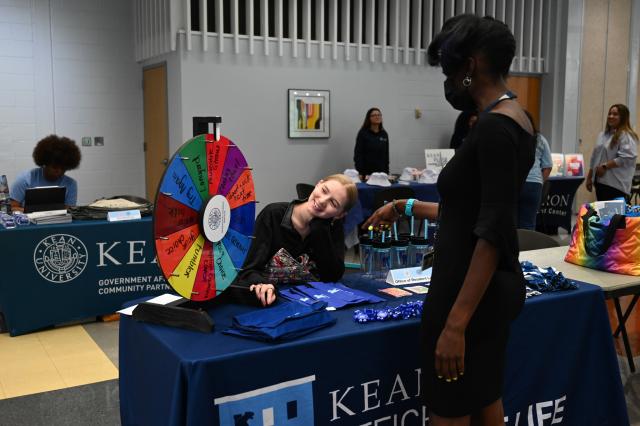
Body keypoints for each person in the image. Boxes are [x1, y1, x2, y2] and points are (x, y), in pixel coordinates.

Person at [363, 14, 535, 424]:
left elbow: (491, 231)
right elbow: (470, 211)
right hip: (487, 293)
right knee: (485, 396)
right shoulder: (518, 119)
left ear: (470, 66)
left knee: (450, 407)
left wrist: (455, 324)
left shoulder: (493, 129)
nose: (445, 80)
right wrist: (404, 207)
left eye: (447, 68)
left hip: (467, 296)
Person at [232, 174, 358, 307]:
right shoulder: (273, 214)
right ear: (318, 184)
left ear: (340, 214)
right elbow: (248, 269)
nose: (322, 201)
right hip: (270, 302)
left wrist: (320, 231)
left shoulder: (332, 227)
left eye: (333, 203)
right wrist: (262, 284)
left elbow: (332, 276)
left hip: (308, 303)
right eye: (324, 190)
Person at [10, 135, 81, 210]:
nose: (59, 171)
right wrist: (35, 212)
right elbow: (12, 207)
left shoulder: (71, 184)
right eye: (55, 167)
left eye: (63, 168)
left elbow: (69, 210)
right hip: (29, 221)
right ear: (45, 163)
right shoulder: (25, 179)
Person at [586, 104, 638, 201]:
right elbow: (594, 158)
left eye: (615, 114)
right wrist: (590, 177)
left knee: (615, 216)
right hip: (601, 183)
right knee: (604, 215)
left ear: (623, 117)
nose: (611, 116)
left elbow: (626, 158)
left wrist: (605, 166)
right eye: (609, 113)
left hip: (616, 185)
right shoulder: (602, 135)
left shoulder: (626, 136)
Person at [517, 110, 552, 230]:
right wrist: (540, 182)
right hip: (534, 185)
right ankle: (527, 248)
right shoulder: (540, 139)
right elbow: (547, 166)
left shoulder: (512, 136)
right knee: (528, 223)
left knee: (512, 223)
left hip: (515, 183)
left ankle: (513, 249)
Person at [353, 108, 389, 180]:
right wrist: (360, 172)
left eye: (379, 115)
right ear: (369, 118)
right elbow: (358, 154)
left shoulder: (384, 134)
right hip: (366, 173)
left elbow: (386, 155)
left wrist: (386, 172)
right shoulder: (363, 133)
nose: (377, 117)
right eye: (374, 115)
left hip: (381, 174)